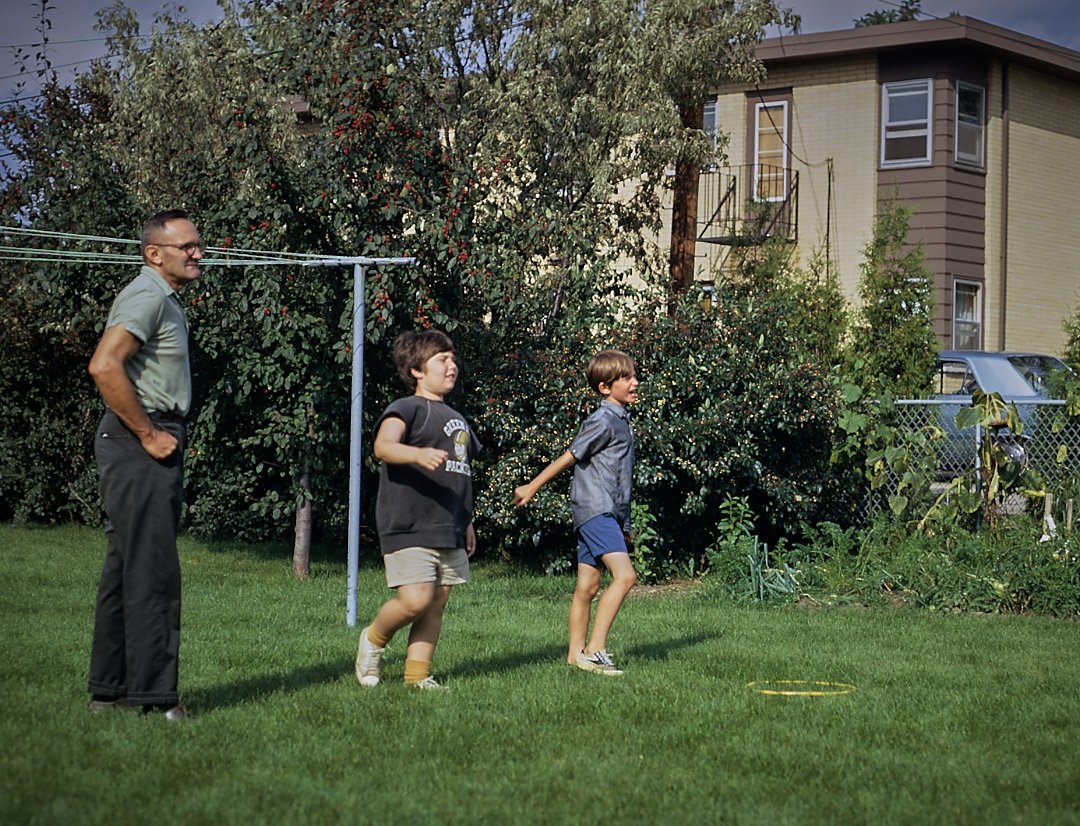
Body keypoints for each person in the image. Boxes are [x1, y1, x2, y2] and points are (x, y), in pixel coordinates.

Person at [86, 209, 203, 721]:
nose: (197, 253)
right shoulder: (148, 295)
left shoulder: (163, 298)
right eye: (186, 247)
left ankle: (109, 691)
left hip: (137, 438)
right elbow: (104, 365)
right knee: (153, 570)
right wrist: (149, 434)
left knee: (126, 566)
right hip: (138, 439)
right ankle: (155, 699)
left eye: (198, 244)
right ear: (154, 254)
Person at [355, 330, 480, 690]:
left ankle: (417, 676)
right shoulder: (407, 408)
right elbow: (383, 446)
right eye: (442, 360)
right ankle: (373, 639)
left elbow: (460, 474)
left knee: (436, 602)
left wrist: (466, 521)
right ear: (416, 371)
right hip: (409, 523)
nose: (451, 365)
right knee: (415, 600)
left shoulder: (456, 417)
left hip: (448, 525)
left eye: (453, 359)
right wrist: (417, 454)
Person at [514, 349, 639, 676]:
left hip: (602, 511)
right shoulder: (603, 420)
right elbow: (570, 456)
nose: (634, 382)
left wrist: (625, 523)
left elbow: (620, 478)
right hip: (596, 509)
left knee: (588, 585)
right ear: (605, 388)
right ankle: (595, 650)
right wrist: (532, 486)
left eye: (633, 376)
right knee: (625, 576)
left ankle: (575, 655)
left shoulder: (621, 420)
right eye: (626, 378)